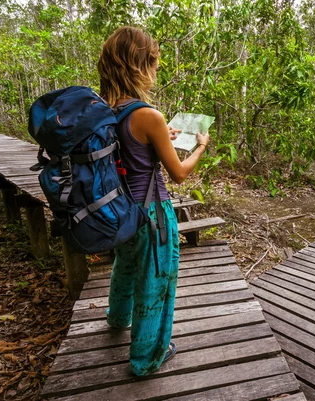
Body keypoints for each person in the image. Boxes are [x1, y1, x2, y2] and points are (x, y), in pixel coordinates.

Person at [97, 26, 210, 376]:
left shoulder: (104, 110)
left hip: (120, 210)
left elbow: (131, 147)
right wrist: (201, 147)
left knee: (126, 266)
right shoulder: (148, 115)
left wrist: (164, 133)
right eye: (155, 62)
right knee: (157, 280)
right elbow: (177, 173)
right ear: (140, 64)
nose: (157, 69)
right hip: (152, 213)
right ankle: (148, 357)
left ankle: (117, 319)